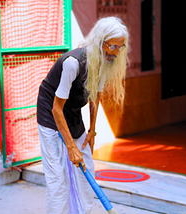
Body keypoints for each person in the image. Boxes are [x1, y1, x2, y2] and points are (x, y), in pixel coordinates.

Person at [36, 17, 129, 214]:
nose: (116, 52)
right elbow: (56, 109)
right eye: (113, 46)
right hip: (51, 111)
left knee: (86, 169)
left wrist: (92, 131)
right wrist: (71, 147)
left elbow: (95, 95)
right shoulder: (73, 63)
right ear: (100, 41)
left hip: (73, 112)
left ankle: (83, 211)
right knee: (58, 178)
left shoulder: (106, 61)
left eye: (120, 47)